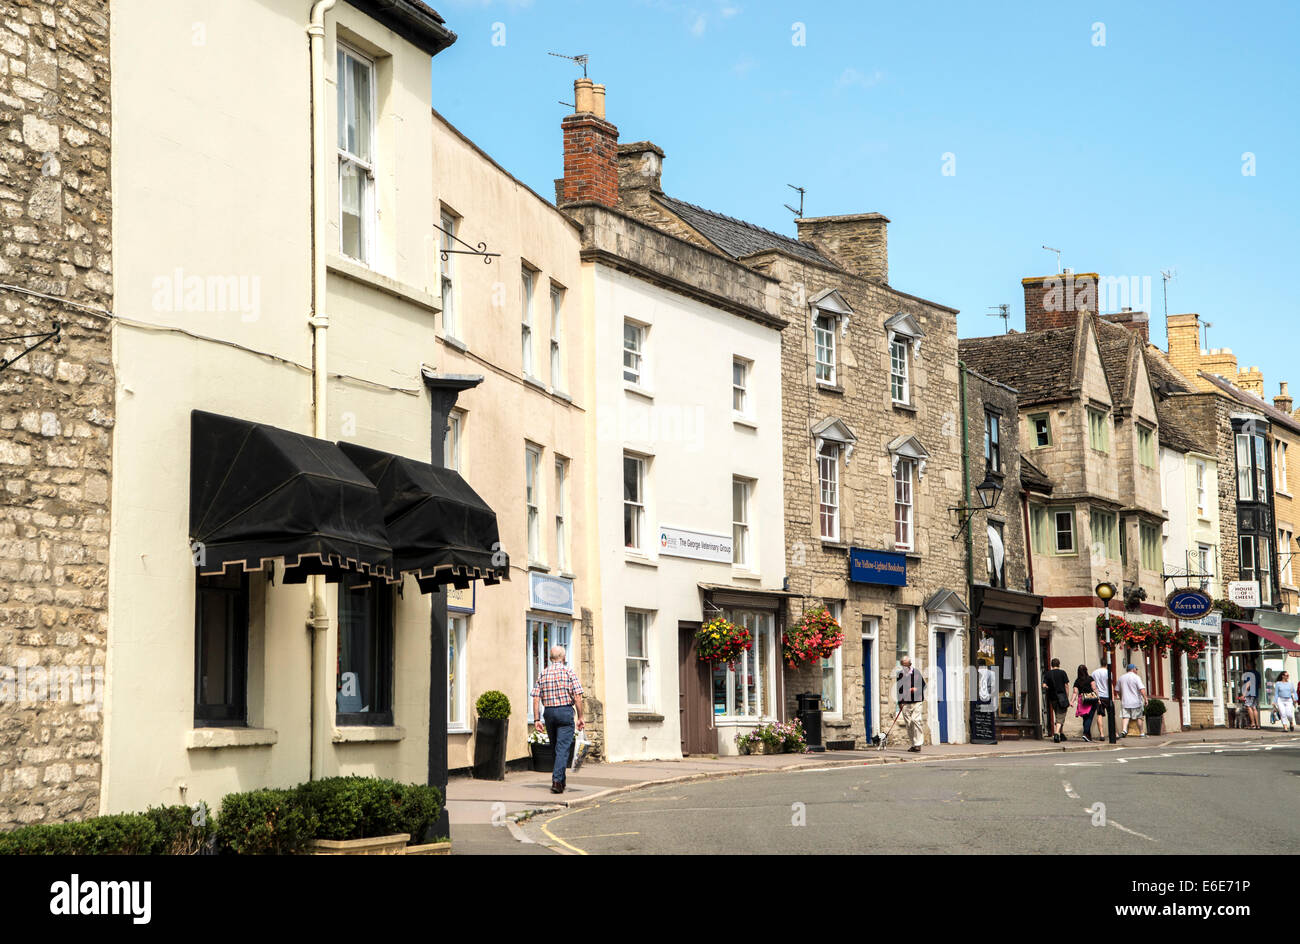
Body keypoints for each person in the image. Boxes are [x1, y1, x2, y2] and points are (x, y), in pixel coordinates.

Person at [530, 645, 585, 794]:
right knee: (562, 749)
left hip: (549, 713)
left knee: (556, 748)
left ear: (550, 658)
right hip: (565, 711)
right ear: (564, 657)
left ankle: (561, 780)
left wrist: (536, 719)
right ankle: (556, 781)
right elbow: (578, 696)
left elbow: (536, 697)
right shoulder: (569, 672)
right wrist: (580, 717)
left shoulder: (543, 673)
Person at [895, 656, 926, 752]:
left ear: (910, 664)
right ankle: (913, 744)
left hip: (917, 701)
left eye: (906, 665)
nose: (904, 667)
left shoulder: (916, 673)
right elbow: (899, 690)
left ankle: (918, 744)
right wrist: (900, 702)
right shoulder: (900, 675)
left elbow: (923, 685)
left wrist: (916, 689)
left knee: (915, 720)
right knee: (909, 724)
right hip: (905, 703)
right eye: (903, 665)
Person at [1041, 658, 1071, 742]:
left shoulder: (1048, 674)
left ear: (1051, 665)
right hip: (1062, 697)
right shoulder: (1062, 673)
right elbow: (1066, 685)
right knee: (1061, 715)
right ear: (1059, 664)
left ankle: (1061, 734)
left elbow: (1044, 685)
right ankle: (1057, 734)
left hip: (1053, 697)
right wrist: (1067, 696)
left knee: (1058, 714)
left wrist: (1049, 688)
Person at [1116, 663, 1148, 737]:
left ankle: (1124, 730)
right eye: (1136, 669)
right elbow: (1141, 689)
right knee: (1139, 717)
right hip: (1136, 702)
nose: (1136, 670)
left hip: (1125, 701)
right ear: (1133, 669)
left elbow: (1117, 690)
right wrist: (1145, 699)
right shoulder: (1136, 677)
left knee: (1125, 717)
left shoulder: (1121, 678)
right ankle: (1142, 732)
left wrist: (1121, 697)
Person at [1073, 664, 1100, 742]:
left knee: (1085, 718)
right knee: (1089, 717)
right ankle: (1085, 733)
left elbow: (1075, 692)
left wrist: (1072, 701)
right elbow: (1094, 688)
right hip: (1091, 699)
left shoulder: (1077, 681)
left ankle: (1088, 736)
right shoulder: (1090, 678)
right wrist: (1098, 698)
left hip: (1082, 700)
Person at [1091, 661, 1116, 743]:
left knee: (1099, 715)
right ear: (1106, 664)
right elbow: (1110, 684)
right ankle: (1114, 733)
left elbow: (1093, 686)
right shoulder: (1108, 672)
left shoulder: (1094, 673)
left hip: (1099, 696)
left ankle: (1101, 734)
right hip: (1107, 695)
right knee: (1111, 714)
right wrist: (1112, 696)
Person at [1241, 661, 1261, 729]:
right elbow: (1259, 685)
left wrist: (1244, 695)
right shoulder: (1257, 673)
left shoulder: (1249, 674)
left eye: (1247, 665)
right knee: (1254, 708)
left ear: (1249, 666)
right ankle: (1258, 724)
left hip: (1249, 693)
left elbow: (1248, 684)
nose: (1246, 667)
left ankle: (1253, 723)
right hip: (1256, 693)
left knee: (1248, 707)